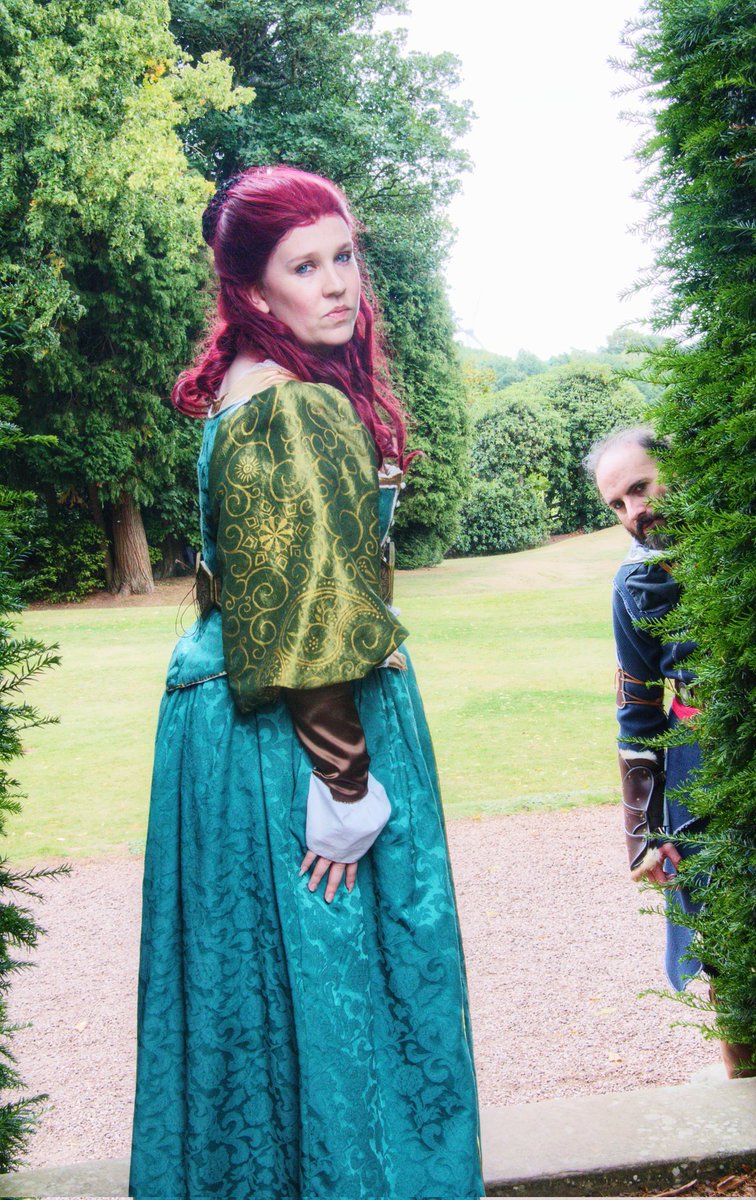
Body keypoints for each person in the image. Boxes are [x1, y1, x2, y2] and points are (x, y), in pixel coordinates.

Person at [129, 165, 483, 1200]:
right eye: (304, 266)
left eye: (344, 256)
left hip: (224, 726)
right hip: (298, 737)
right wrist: (345, 787)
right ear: (251, 289)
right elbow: (308, 615)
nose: (337, 284)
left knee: (253, 987)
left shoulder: (249, 388)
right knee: (341, 983)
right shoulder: (292, 408)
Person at [585, 427, 703, 993]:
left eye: (640, 487)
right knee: (720, 938)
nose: (634, 511)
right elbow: (637, 710)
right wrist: (644, 834)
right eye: (617, 504)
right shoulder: (633, 584)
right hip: (698, 763)